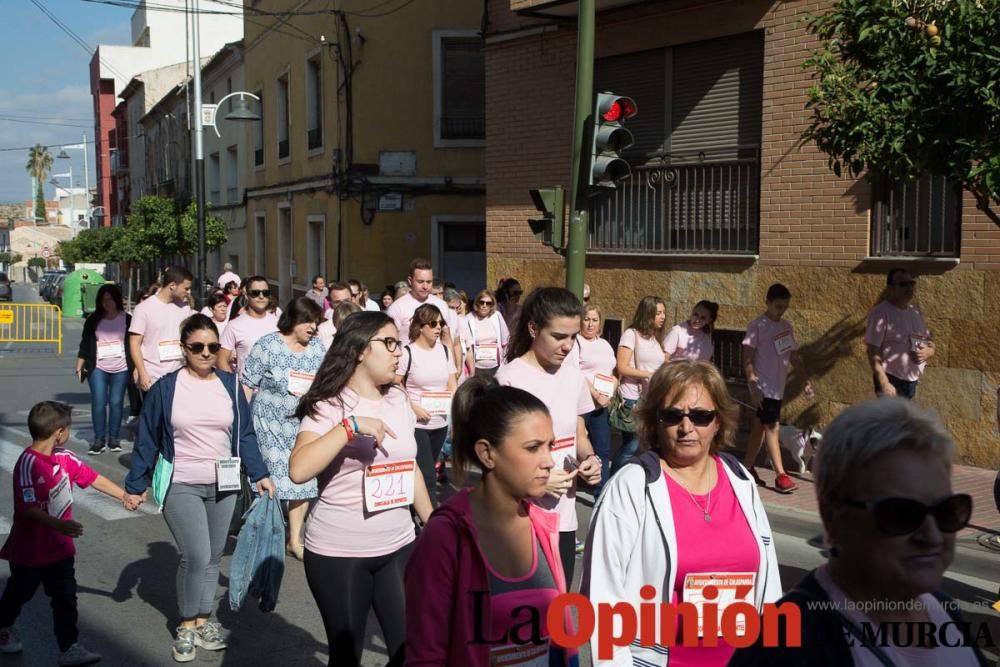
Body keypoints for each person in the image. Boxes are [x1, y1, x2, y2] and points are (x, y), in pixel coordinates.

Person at [729, 399, 987, 667]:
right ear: (833, 519)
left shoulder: (944, 609)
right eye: (901, 514)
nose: (932, 535)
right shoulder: (787, 648)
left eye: (947, 510)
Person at [583, 360, 782, 667]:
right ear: (655, 421)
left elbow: (768, 586)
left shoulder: (740, 479)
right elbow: (601, 599)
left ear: (718, 422)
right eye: (673, 415)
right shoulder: (631, 487)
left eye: (701, 416)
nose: (687, 427)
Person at [124, 314, 274, 663]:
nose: (206, 353)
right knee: (194, 555)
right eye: (197, 347)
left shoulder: (230, 385)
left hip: (225, 482)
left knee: (213, 556)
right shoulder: (166, 388)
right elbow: (146, 439)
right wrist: (135, 484)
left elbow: (245, 435)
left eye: (212, 347)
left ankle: (204, 619)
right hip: (182, 482)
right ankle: (186, 626)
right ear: (184, 348)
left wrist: (259, 472)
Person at [290, 311, 433, 666]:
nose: (398, 352)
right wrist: (349, 427)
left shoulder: (398, 400)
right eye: (389, 343)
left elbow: (407, 464)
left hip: (399, 544)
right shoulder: (329, 405)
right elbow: (298, 470)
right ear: (359, 350)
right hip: (340, 554)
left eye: (398, 344)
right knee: (346, 659)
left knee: (411, 650)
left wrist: (432, 521)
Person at [404, 377, 578, 665]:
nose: (549, 461)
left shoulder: (543, 526)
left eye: (550, 446)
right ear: (487, 453)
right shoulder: (446, 536)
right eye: (533, 447)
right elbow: (425, 654)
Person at [0, 401, 133, 665]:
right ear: (60, 432)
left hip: (60, 549)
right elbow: (27, 508)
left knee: (65, 598)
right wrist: (59, 525)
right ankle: (3, 627)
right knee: (20, 593)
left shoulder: (65, 458)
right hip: (30, 549)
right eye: (68, 428)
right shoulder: (28, 463)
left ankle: (69, 647)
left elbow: (92, 478)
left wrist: (123, 496)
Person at [497, 287, 601, 585]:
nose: (568, 346)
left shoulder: (573, 376)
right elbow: (500, 458)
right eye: (558, 337)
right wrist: (536, 482)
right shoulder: (510, 379)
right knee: (526, 616)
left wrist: (590, 459)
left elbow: (578, 432)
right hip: (522, 518)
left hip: (564, 516)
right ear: (533, 328)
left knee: (559, 611)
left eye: (573, 337)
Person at [241, 297, 326, 561]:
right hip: (269, 426)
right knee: (275, 480)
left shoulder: (317, 349)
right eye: (308, 321)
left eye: (316, 321)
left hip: (303, 426)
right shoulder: (268, 345)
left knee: (303, 479)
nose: (313, 326)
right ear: (294, 319)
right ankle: (268, 535)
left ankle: (294, 539)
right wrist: (241, 424)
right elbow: (246, 384)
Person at [741, 283, 813, 494]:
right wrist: (752, 383)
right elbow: (747, 357)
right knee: (772, 427)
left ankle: (747, 467)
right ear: (768, 302)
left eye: (785, 307)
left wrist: (805, 381)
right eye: (778, 307)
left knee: (759, 428)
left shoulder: (785, 327)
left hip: (777, 387)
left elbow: (793, 356)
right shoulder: (757, 326)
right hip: (764, 388)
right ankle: (781, 475)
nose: (781, 311)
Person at [396, 304, 458, 505]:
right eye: (433, 323)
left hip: (440, 422)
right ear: (421, 326)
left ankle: (414, 508)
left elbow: (452, 382)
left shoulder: (445, 351)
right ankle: (429, 521)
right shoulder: (408, 352)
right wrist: (413, 407)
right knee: (429, 475)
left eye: (441, 323)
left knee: (425, 468)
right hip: (417, 424)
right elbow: (396, 384)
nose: (438, 327)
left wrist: (454, 410)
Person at [612, 295, 669, 475]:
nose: (662, 317)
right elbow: (621, 366)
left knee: (647, 444)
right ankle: (614, 479)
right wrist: (647, 374)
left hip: (651, 398)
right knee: (632, 445)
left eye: (663, 313)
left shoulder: (654, 338)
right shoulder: (631, 335)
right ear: (647, 314)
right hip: (632, 397)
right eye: (658, 313)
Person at [76, 284, 132, 455]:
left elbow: (135, 343)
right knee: (99, 402)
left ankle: (114, 438)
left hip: (121, 367)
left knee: (116, 402)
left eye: (110, 299)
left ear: (117, 300)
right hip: (98, 366)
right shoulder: (93, 320)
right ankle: (99, 439)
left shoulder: (127, 319)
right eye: (103, 300)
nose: (107, 303)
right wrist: (79, 363)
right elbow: (85, 343)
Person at [865, 268, 934, 400]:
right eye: (903, 284)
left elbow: (925, 340)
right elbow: (873, 351)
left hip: (911, 380)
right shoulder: (880, 313)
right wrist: (884, 383)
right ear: (891, 288)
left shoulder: (915, 311)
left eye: (911, 283)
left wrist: (929, 351)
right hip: (891, 380)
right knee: (889, 420)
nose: (908, 288)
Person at [129, 266, 193, 392]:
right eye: (186, 288)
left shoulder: (185, 309)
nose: (189, 292)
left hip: (179, 376)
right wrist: (142, 371)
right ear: (173, 285)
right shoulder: (144, 309)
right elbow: (134, 343)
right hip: (153, 376)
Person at [386, 258, 460, 363]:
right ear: (410, 281)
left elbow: (446, 338)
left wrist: (452, 368)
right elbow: (391, 341)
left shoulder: (441, 305)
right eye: (420, 282)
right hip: (408, 367)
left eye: (429, 282)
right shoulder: (397, 307)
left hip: (436, 365)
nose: (425, 286)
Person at [577, 303, 616, 496]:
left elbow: (611, 371)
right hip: (582, 404)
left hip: (602, 405)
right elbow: (575, 373)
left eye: (594, 320)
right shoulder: (576, 342)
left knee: (603, 450)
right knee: (580, 447)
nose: (590, 324)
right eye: (586, 319)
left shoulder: (605, 345)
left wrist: (612, 389)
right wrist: (596, 394)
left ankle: (601, 493)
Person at [217, 276, 279, 378]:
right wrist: (235, 386)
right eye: (255, 293)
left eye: (265, 293)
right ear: (246, 296)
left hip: (275, 392)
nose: (261, 296)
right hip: (248, 391)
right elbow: (221, 360)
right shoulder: (234, 325)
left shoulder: (278, 323)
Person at [460, 289, 509, 379]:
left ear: (492, 305)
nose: (484, 306)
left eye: (488, 303)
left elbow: (505, 341)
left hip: (496, 367)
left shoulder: (497, 316)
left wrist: (505, 365)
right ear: (477, 303)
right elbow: (467, 347)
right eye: (482, 302)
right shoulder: (469, 319)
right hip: (476, 368)